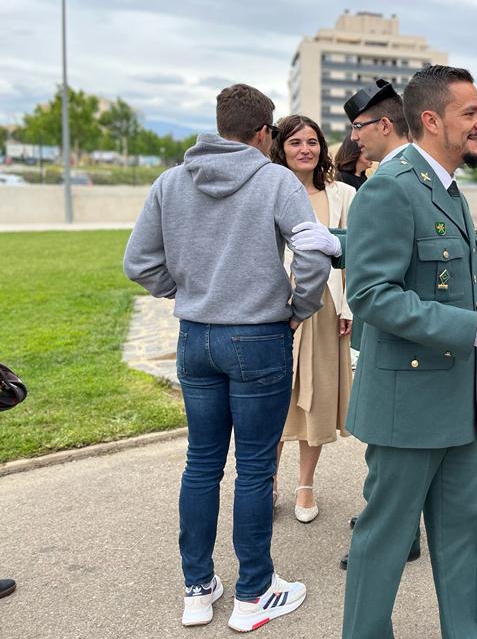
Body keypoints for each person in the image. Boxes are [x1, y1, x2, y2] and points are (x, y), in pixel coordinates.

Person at [123, 84, 331, 631]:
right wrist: (300, 306)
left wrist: (187, 293)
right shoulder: (275, 179)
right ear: (265, 134)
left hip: (196, 336)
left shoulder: (171, 181)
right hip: (258, 336)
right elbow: (312, 251)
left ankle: (197, 589)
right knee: (255, 468)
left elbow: (139, 263)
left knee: (201, 463)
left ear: (219, 125)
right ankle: (254, 592)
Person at [340, 65, 477, 639]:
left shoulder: (443, 186)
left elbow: (452, 287)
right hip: (406, 403)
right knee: (386, 539)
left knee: (464, 535)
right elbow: (371, 294)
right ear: (430, 119)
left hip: (455, 403)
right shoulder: (391, 188)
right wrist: (473, 327)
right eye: (469, 113)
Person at [333, 79, 423, 571]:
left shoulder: (394, 179)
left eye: (359, 128)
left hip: (394, 326)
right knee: (384, 441)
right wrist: (334, 241)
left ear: (384, 125)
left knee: (388, 443)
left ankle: (390, 533)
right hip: (389, 325)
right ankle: (393, 523)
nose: (354, 140)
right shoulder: (398, 174)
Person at [269, 115, 357, 524]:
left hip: (325, 309)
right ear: (280, 148)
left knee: (317, 400)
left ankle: (305, 484)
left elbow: (354, 258)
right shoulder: (267, 190)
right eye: (294, 143)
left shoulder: (341, 194)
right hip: (275, 308)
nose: (305, 149)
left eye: (312, 142)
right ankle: (266, 481)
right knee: (273, 399)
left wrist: (349, 307)